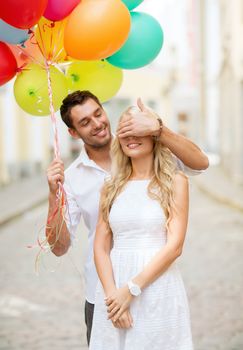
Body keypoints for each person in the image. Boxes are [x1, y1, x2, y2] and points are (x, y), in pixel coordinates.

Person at [46, 90, 208, 345]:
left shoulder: (159, 162)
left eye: (98, 113)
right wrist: (54, 194)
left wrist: (158, 129)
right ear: (74, 133)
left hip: (155, 286)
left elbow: (201, 162)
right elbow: (59, 247)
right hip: (103, 293)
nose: (97, 123)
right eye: (85, 122)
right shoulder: (79, 179)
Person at [89, 107, 193, 349]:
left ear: (153, 135)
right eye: (125, 131)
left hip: (156, 286)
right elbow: (100, 247)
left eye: (137, 130)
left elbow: (175, 246)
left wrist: (131, 290)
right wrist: (113, 296)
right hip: (114, 289)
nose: (131, 137)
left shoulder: (175, 182)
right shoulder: (110, 186)